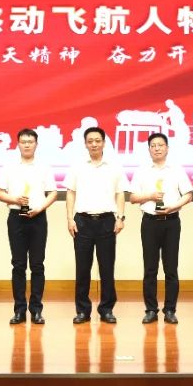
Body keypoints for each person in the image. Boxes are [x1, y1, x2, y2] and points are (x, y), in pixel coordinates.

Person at [0, 128, 58, 325]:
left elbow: (53, 193)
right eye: (23, 142)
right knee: (18, 264)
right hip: (16, 218)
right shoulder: (9, 167)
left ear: (36, 144)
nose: (27, 145)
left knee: (37, 265)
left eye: (30, 142)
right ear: (18, 144)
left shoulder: (44, 167)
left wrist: (40, 208)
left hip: (38, 217)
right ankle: (19, 310)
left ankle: (36, 310)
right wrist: (15, 199)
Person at [129, 132, 193, 325]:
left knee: (171, 268)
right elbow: (133, 198)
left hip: (171, 222)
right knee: (150, 268)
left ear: (167, 148)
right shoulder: (142, 171)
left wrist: (173, 207)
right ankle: (151, 310)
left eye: (160, 145)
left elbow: (188, 195)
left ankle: (170, 310)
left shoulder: (177, 170)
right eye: (153, 145)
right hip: (149, 222)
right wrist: (150, 196)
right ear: (149, 149)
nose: (157, 148)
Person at [64, 126, 126, 324]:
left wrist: (120, 217)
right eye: (90, 141)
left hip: (107, 221)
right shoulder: (77, 166)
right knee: (82, 269)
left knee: (107, 268)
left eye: (97, 141)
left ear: (104, 143)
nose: (94, 144)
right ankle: (83, 311)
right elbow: (70, 193)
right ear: (85, 144)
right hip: (82, 221)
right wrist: (70, 218)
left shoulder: (114, 167)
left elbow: (120, 194)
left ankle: (106, 310)